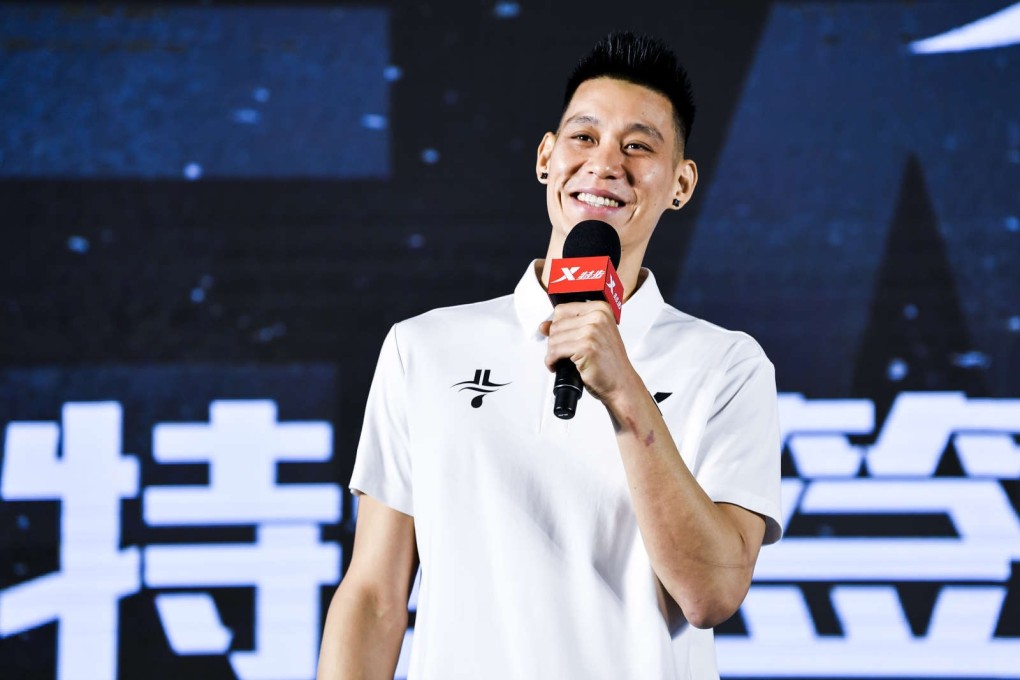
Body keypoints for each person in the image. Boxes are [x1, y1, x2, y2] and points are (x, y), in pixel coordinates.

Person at [317, 32, 781, 679]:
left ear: (681, 183)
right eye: (583, 137)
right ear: (546, 157)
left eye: (638, 146)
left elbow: (712, 594)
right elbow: (374, 596)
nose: (604, 164)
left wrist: (625, 393)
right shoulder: (424, 347)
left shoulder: (726, 365)